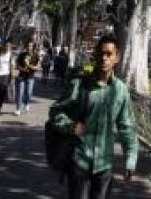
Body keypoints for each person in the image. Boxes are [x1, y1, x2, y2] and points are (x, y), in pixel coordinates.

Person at [48, 34, 138, 199]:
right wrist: (70, 126)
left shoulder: (121, 90)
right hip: (79, 160)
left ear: (116, 58)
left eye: (109, 54)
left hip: (104, 164)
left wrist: (130, 159)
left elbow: (127, 127)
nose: (104, 58)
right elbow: (55, 112)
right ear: (96, 55)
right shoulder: (80, 85)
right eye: (101, 54)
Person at [15, 41, 39, 115]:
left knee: (29, 93)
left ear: (33, 47)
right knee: (20, 93)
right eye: (28, 46)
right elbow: (17, 65)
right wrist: (22, 69)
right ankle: (18, 109)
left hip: (30, 77)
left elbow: (38, 66)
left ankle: (26, 103)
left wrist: (32, 67)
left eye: (31, 46)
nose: (29, 47)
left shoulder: (36, 55)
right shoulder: (22, 55)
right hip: (21, 76)